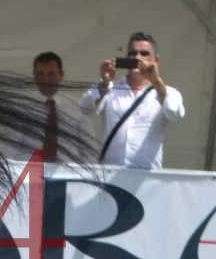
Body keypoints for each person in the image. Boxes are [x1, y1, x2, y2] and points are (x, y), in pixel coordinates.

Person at [78, 32, 185, 169]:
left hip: (146, 178)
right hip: (110, 174)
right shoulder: (109, 87)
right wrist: (104, 82)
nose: (138, 58)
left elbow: (175, 115)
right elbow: (84, 107)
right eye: (132, 53)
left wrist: (156, 81)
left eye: (144, 54)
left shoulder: (168, 92)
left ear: (156, 61)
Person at [31, 51, 65, 162]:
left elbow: (89, 151)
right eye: (40, 74)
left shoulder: (77, 110)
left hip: (68, 174)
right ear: (34, 77)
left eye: (51, 74)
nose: (45, 79)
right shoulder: (22, 109)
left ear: (61, 75)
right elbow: (9, 149)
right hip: (31, 174)